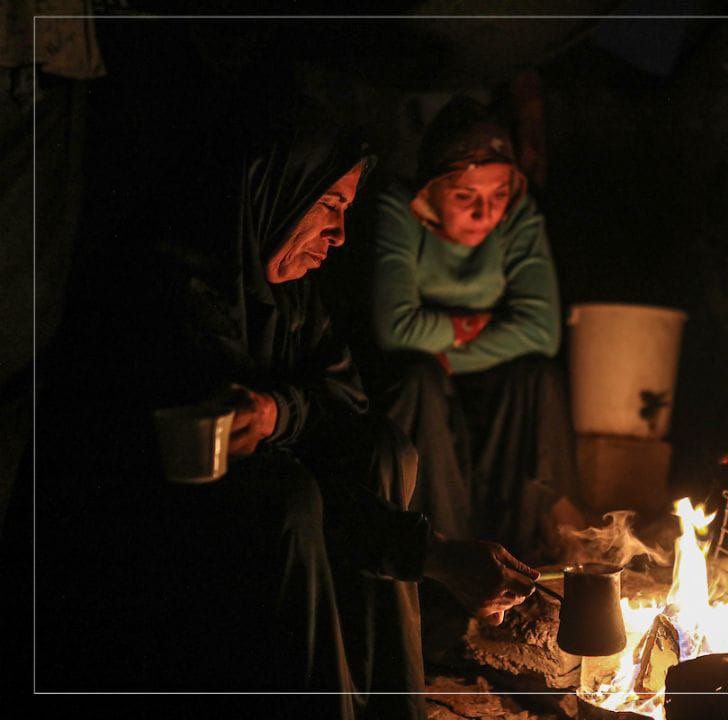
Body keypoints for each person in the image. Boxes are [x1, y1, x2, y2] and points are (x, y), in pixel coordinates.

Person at [153, 98, 538, 719]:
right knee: (289, 497)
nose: (338, 235)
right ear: (273, 189)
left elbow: (344, 406)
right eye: (329, 206)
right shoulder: (179, 294)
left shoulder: (295, 300)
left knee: (387, 449)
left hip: (308, 494)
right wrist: (434, 554)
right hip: (178, 538)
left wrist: (282, 413)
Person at [371, 96, 584, 561]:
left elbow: (541, 331)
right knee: (418, 378)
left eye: (497, 196)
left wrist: (448, 348)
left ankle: (534, 550)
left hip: (483, 374)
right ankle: (446, 555)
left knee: (537, 375)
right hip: (419, 381)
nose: (484, 214)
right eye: (465, 197)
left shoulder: (518, 217)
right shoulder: (400, 210)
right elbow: (394, 329)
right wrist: (470, 325)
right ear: (430, 192)